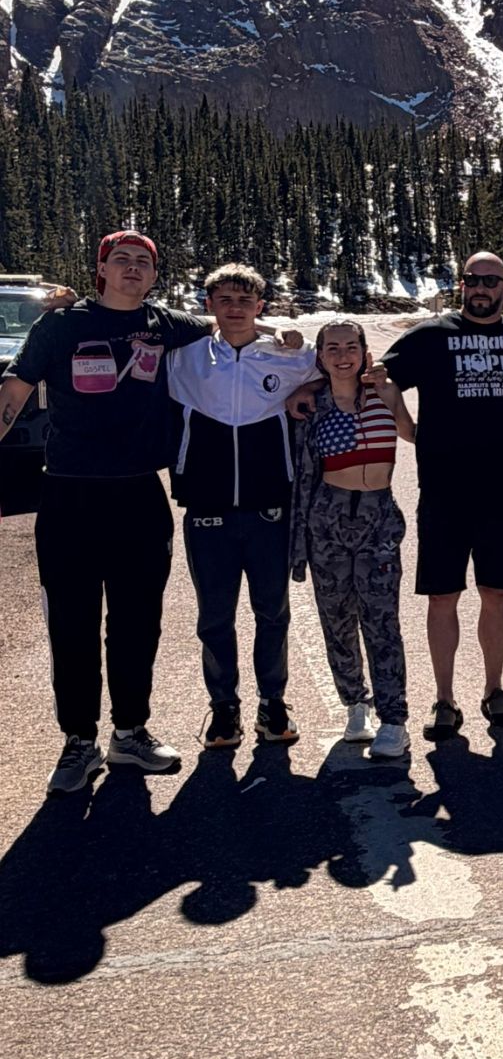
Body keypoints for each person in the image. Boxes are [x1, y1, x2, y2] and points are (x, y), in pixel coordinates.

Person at [0, 231, 208, 793]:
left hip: (141, 494)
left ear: (155, 274)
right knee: (71, 623)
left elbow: (228, 327)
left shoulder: (167, 325)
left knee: (138, 621)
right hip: (69, 494)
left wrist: (280, 338)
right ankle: (78, 743)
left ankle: (130, 733)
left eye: (144, 262)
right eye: (123, 260)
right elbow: (14, 390)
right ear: (102, 268)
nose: (134, 269)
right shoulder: (61, 325)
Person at [381, 253, 503, 741]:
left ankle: (494, 690)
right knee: (442, 597)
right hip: (443, 492)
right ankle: (445, 698)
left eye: (491, 280)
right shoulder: (431, 336)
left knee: (496, 593)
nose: (480, 288)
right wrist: (408, 429)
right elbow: (379, 377)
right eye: (473, 279)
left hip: (501, 492)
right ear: (463, 284)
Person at [167, 263, 320, 751]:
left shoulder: (285, 354)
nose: (234, 308)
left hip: (269, 504)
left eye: (244, 300)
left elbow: (341, 366)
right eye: (224, 299)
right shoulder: (185, 357)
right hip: (205, 508)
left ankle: (272, 703)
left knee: (272, 612)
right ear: (208, 305)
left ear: (261, 306)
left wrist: (304, 388)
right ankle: (223, 709)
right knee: (215, 616)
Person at [290, 319, 414, 760]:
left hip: (378, 516)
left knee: (382, 620)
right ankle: (355, 704)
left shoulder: (385, 393)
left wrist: (392, 397)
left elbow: (412, 433)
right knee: (337, 617)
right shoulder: (310, 404)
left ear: (364, 352)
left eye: (350, 347)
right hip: (328, 517)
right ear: (320, 357)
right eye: (332, 349)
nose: (343, 356)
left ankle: (394, 718)